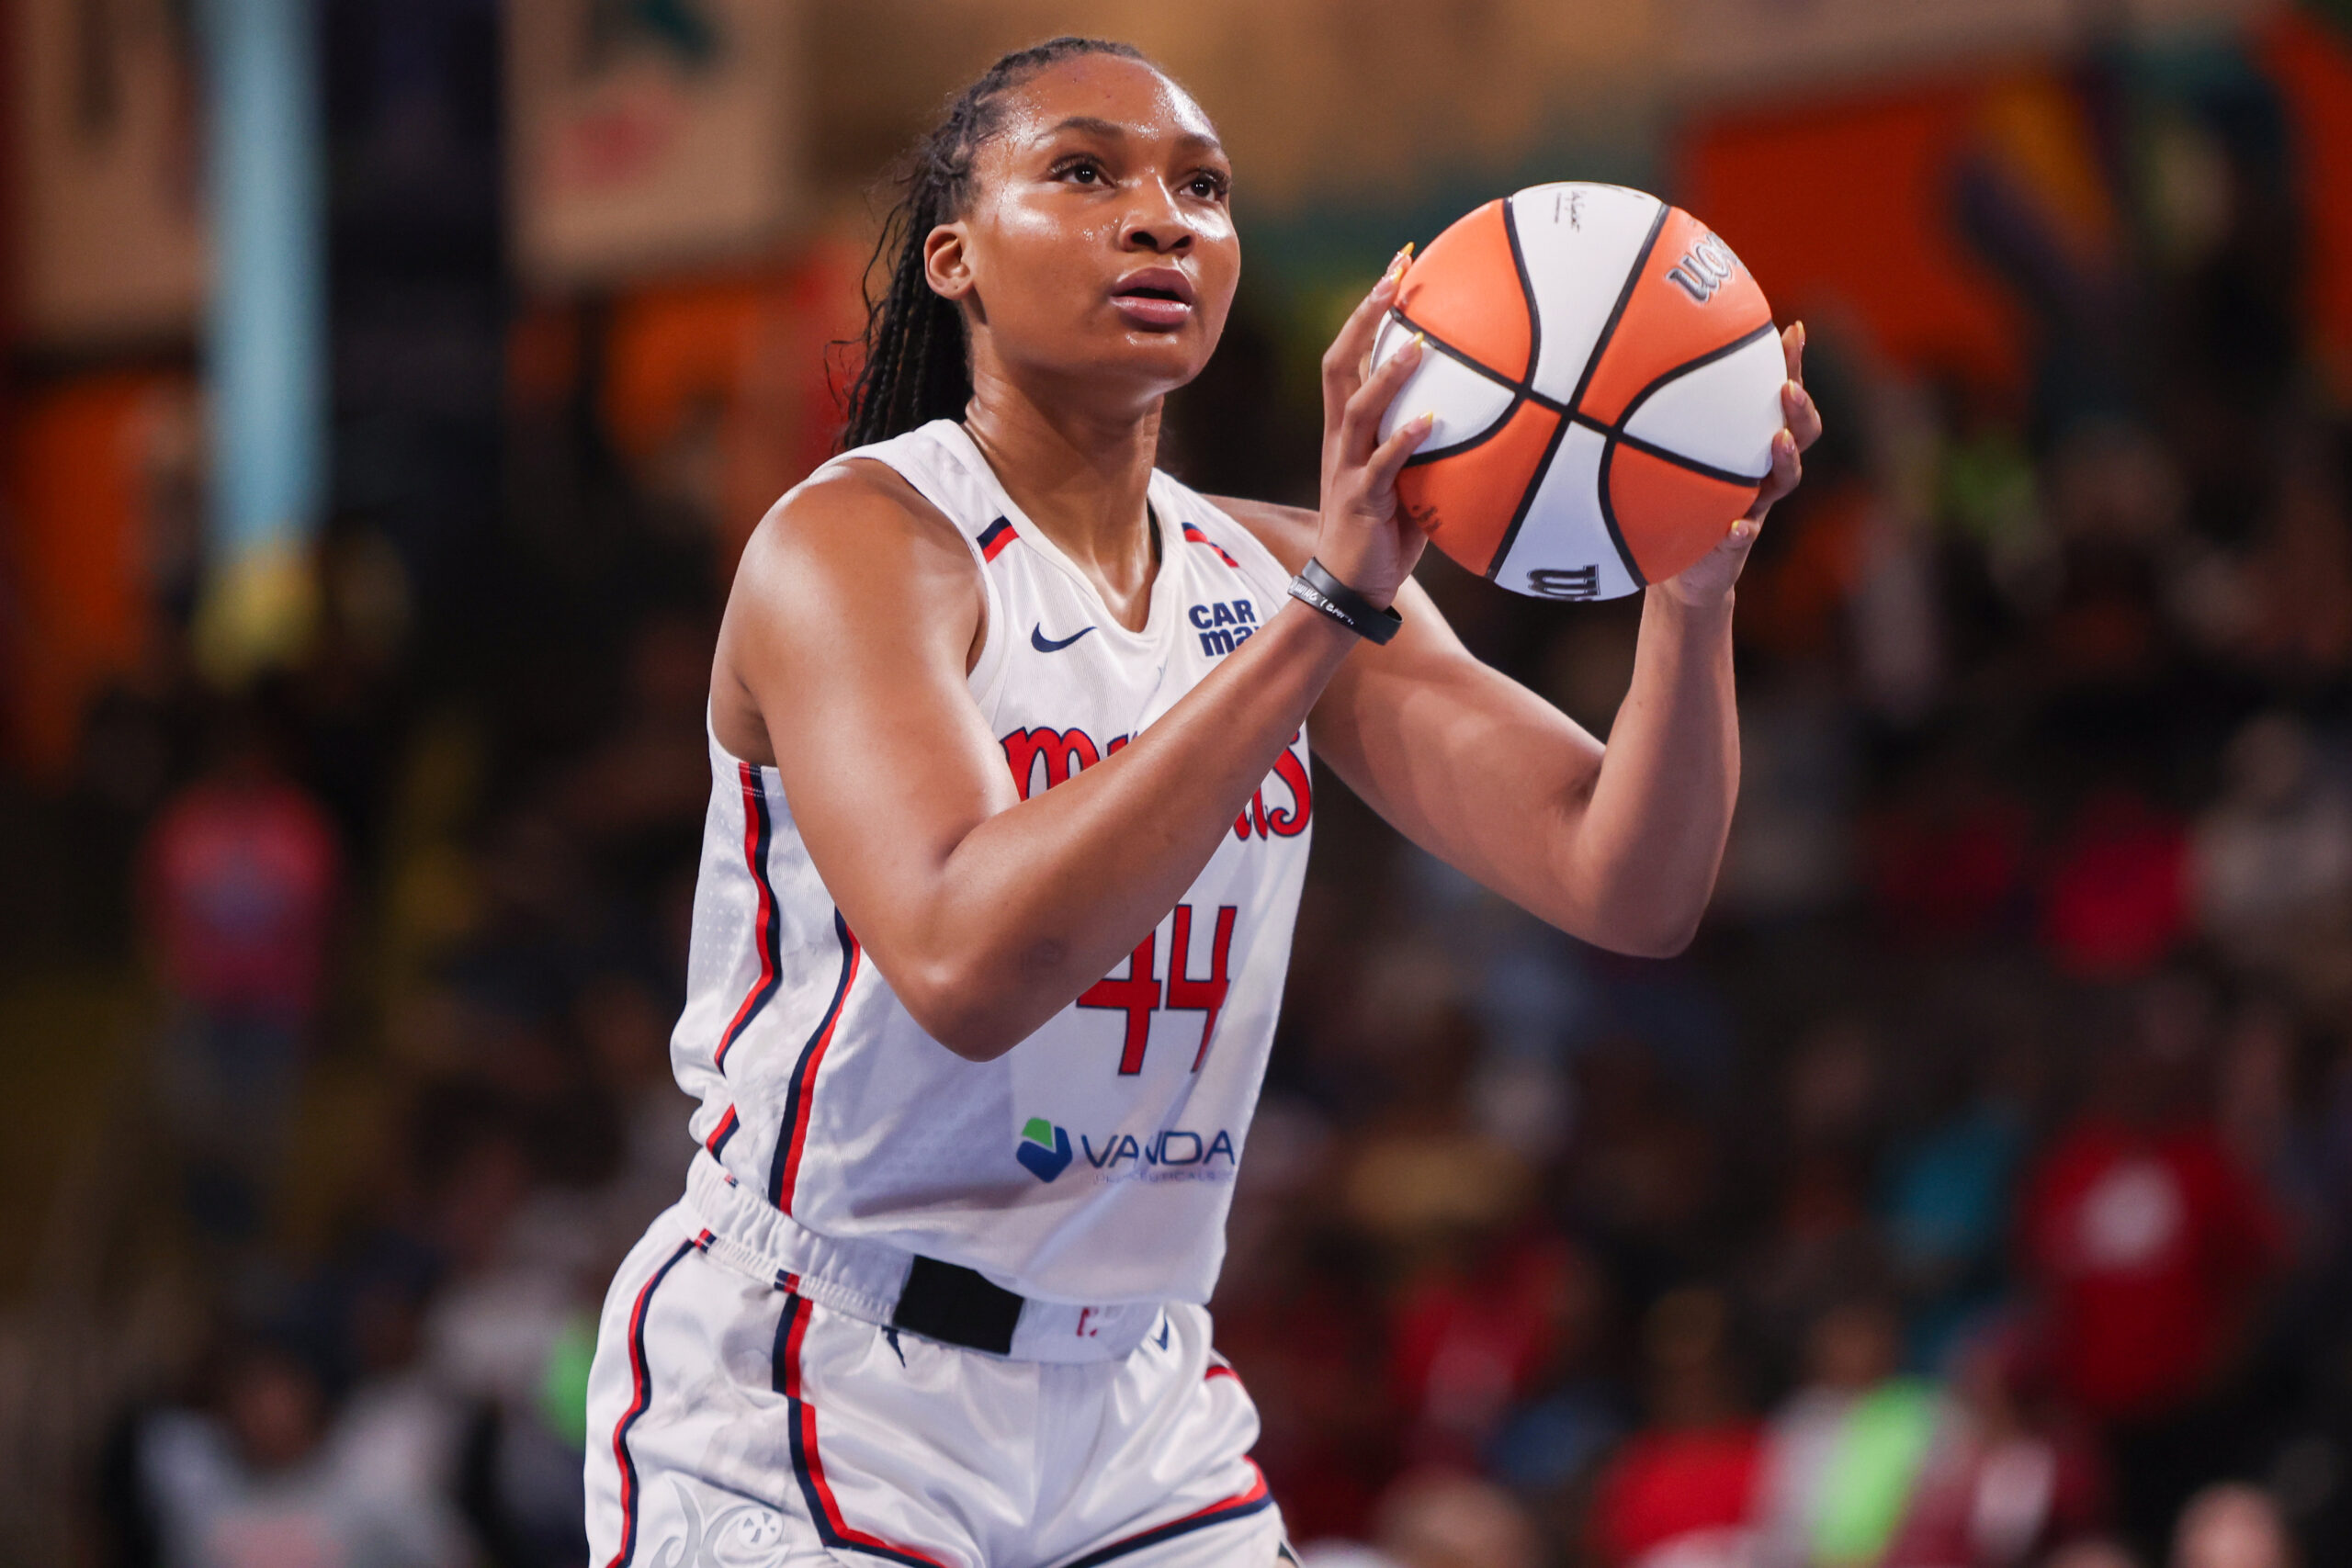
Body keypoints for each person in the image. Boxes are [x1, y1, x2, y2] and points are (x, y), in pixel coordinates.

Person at [583, 36, 1820, 1568]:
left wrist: (1693, 595)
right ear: (955, 257)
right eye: (1086, 172)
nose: (1161, 218)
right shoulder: (860, 548)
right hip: (822, 1372)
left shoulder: (1279, 574)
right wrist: (1329, 616)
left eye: (1204, 188)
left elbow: (1632, 885)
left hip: (1140, 1400)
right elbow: (971, 963)